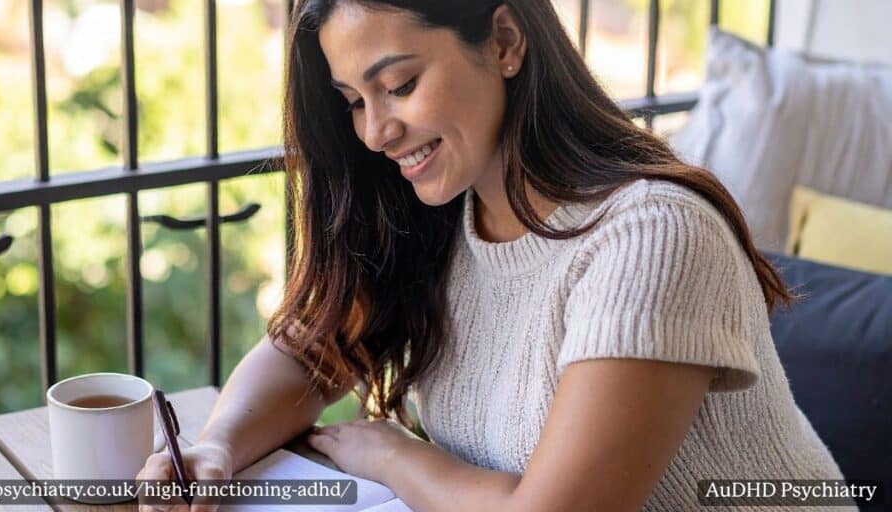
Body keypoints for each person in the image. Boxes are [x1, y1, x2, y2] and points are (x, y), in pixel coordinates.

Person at [137, 1, 849, 511]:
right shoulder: (444, 213)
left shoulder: (651, 237)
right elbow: (313, 348)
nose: (376, 131)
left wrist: (397, 456)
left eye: (400, 85)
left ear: (505, 40)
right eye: (353, 100)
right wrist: (218, 449)